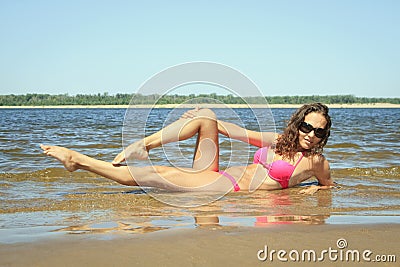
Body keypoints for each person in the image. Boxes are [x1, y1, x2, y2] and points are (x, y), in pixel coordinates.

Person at [40, 102, 334, 194]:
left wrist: (315, 189)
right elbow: (229, 130)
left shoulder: (316, 163)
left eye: (318, 131)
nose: (311, 134)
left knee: (156, 174)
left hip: (226, 189)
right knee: (207, 114)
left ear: (324, 135)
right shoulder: (277, 140)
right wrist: (197, 119)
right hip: (219, 174)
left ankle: (78, 161)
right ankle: (143, 144)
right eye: (307, 127)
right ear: (298, 124)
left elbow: (332, 187)